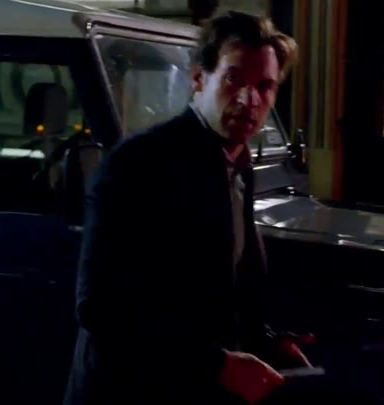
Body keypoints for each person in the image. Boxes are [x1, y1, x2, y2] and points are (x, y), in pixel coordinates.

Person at [64, 10, 310, 405]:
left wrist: (266, 342)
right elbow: (102, 308)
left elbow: (216, 294)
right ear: (198, 79)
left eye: (265, 86)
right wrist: (217, 365)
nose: (249, 100)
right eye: (233, 79)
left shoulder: (237, 164)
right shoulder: (139, 165)